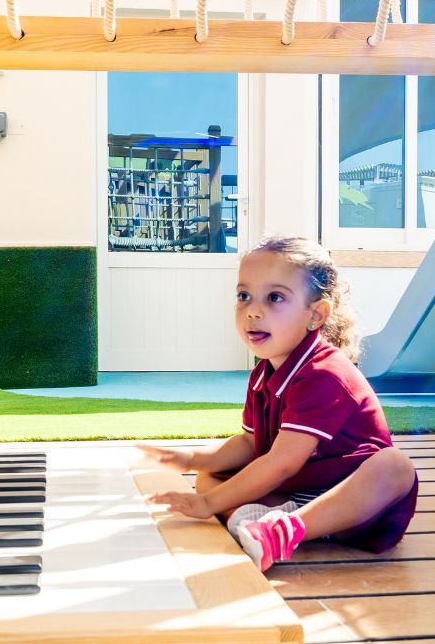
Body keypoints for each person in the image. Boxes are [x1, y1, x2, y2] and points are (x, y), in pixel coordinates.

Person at [138, 235, 418, 571]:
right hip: (302, 490)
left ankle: (287, 529)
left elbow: (283, 462)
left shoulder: (324, 374)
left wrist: (208, 504)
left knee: (396, 465)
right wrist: (193, 457)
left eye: (274, 298)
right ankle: (268, 526)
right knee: (210, 475)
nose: (253, 311)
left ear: (315, 315)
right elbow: (251, 443)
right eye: (244, 296)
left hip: (357, 503)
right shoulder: (264, 373)